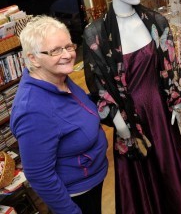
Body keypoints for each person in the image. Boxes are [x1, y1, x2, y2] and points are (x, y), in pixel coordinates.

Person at [82, 0, 181, 214]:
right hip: (128, 116)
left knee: (170, 161)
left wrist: (176, 98)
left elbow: (169, 64)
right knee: (140, 169)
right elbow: (98, 85)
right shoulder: (95, 35)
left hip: (159, 108)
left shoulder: (155, 21)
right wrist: (117, 120)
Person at [10, 16, 108, 214]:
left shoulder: (57, 77)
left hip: (92, 182)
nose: (68, 55)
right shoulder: (33, 110)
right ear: (33, 58)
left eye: (69, 46)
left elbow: (70, 111)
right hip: (77, 195)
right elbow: (39, 175)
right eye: (55, 50)